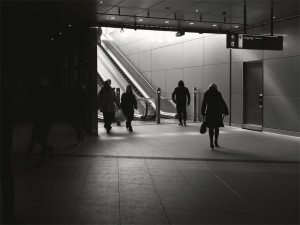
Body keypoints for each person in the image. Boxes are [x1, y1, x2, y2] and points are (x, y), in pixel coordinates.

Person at [25, 76, 54, 164]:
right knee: (40, 137)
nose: (41, 81)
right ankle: (45, 152)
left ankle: (41, 154)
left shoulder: (42, 91)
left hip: (41, 118)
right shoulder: (48, 91)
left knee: (36, 136)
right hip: (44, 118)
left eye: (42, 80)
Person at [201, 83, 229, 149]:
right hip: (217, 112)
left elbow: (204, 104)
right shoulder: (218, 93)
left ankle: (211, 141)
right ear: (215, 87)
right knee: (216, 127)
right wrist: (225, 111)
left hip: (209, 112)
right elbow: (222, 102)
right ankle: (216, 141)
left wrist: (203, 112)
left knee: (211, 128)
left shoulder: (206, 93)